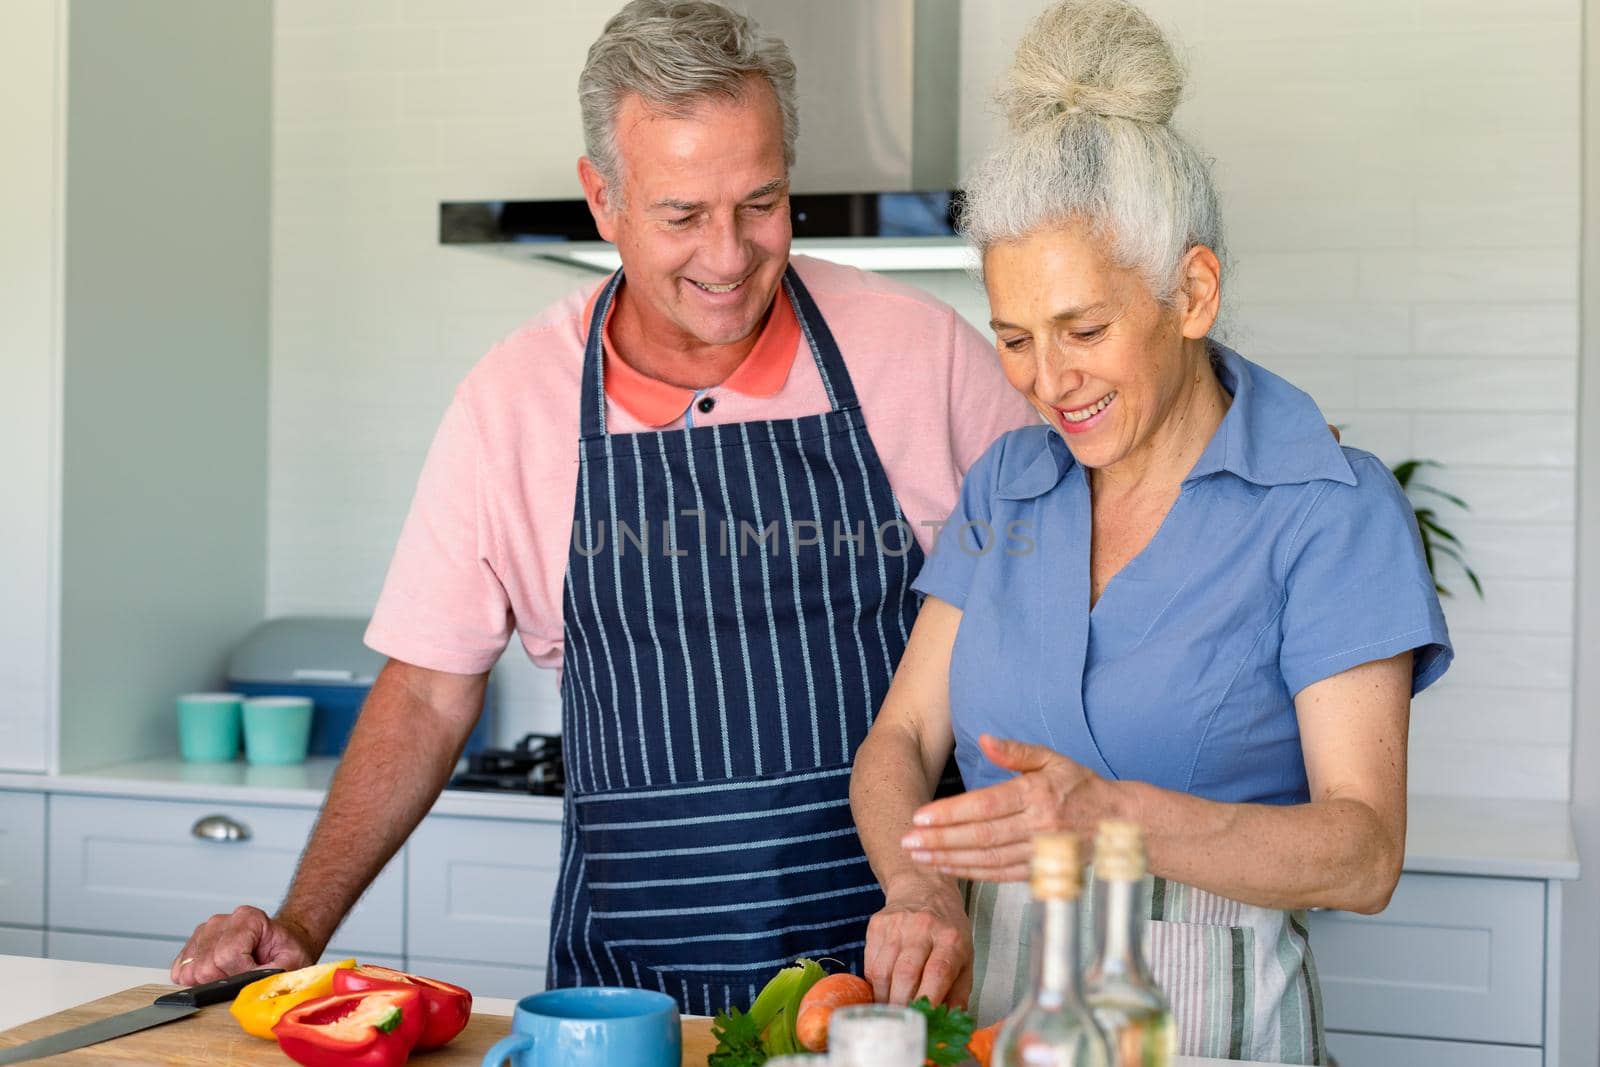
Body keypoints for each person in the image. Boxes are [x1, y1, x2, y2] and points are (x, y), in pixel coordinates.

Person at [169, 0, 1032, 1015]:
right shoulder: (513, 402)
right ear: (601, 197)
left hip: (892, 980)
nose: (727, 254)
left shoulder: (921, 356)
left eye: (761, 202)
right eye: (680, 214)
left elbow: (1052, 615)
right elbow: (426, 692)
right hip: (627, 999)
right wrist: (303, 925)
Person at [850, 2, 1452, 1062]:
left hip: (1213, 1029)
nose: (1048, 380)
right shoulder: (1008, 486)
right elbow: (900, 739)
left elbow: (1363, 852)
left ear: (1191, 292)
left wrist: (1111, 815)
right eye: (1016, 340)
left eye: (1084, 330)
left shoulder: (1327, 508)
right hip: (996, 1017)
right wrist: (919, 884)